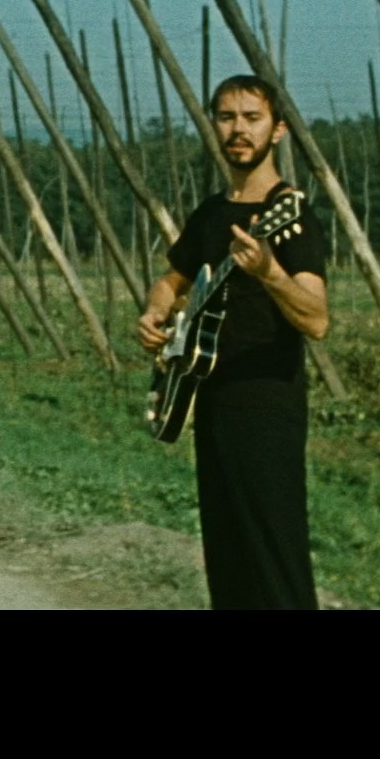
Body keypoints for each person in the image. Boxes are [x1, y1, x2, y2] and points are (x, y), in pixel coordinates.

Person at [137, 75, 329, 609]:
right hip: (211, 402)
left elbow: (317, 319)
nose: (238, 129)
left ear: (278, 130)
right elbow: (171, 280)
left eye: (252, 118)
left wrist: (270, 273)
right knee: (227, 563)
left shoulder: (291, 216)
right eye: (227, 118)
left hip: (267, 406)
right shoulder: (211, 214)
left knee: (275, 561)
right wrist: (156, 312)